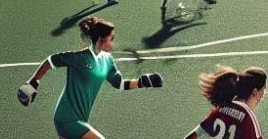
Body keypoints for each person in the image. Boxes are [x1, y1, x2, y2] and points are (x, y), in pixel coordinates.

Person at [16, 17, 164, 138]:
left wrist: (143, 82)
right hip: (67, 118)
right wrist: (34, 82)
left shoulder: (107, 60)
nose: (112, 43)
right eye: (110, 39)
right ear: (100, 39)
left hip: (81, 117)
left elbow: (119, 84)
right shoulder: (80, 57)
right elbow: (51, 60)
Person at [185, 66, 267, 139]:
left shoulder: (220, 109)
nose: (263, 96)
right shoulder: (247, 118)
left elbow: (192, 136)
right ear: (255, 92)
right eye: (263, 91)